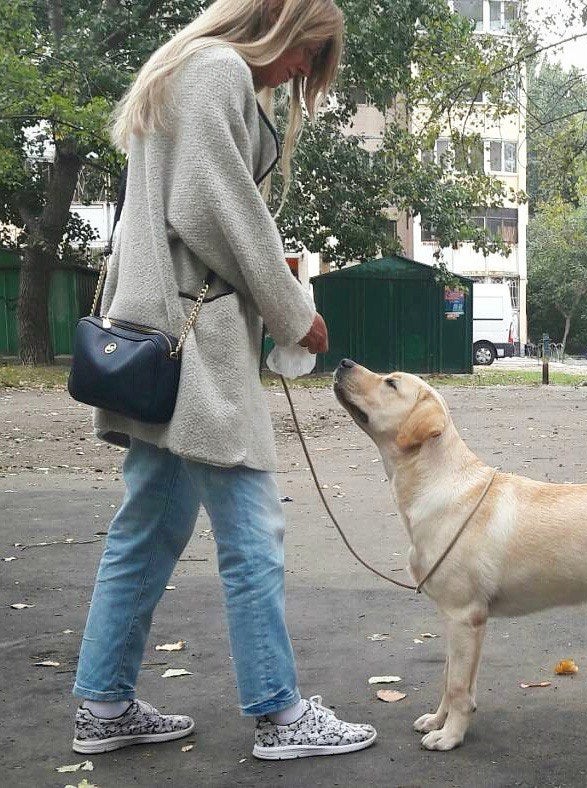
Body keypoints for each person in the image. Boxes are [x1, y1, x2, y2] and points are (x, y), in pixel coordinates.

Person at [71, 0, 377, 761]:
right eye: (308, 51)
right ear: (275, 23)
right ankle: (279, 715)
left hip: (160, 335)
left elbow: (196, 205)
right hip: (194, 341)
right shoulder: (216, 70)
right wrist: (291, 308)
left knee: (147, 530)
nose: (304, 70)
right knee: (251, 531)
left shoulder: (183, 71)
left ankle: (104, 705)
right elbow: (212, 208)